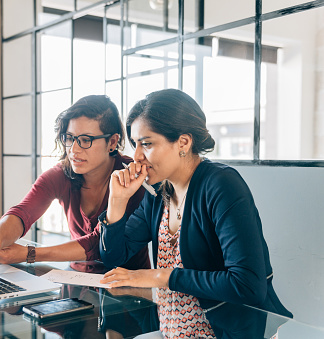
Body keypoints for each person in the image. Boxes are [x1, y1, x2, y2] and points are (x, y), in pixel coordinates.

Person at [99, 89, 292, 338]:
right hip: (171, 332)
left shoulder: (221, 185)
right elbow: (114, 256)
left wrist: (161, 276)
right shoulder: (159, 193)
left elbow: (247, 285)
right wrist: (116, 202)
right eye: (135, 144)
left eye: (146, 144)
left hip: (222, 334)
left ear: (183, 142)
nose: (136, 156)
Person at [0, 95, 150, 274]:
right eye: (70, 138)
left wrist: (29, 254)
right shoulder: (62, 174)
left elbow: (97, 244)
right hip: (76, 279)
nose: (74, 149)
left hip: (128, 289)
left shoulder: (132, 178)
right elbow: (23, 212)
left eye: (86, 140)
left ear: (112, 142)